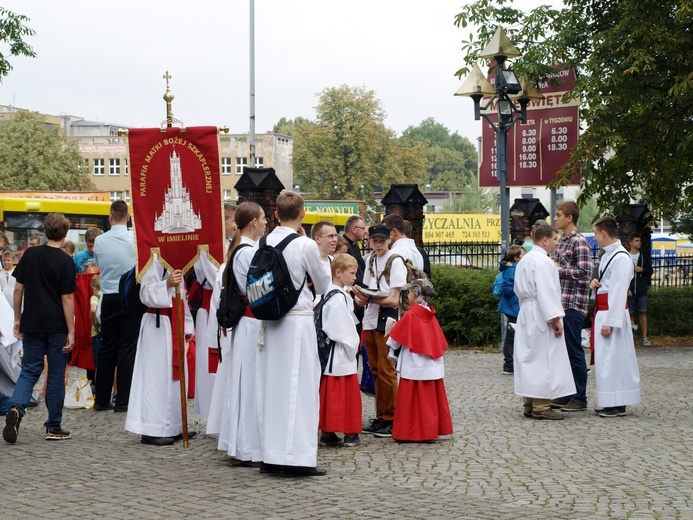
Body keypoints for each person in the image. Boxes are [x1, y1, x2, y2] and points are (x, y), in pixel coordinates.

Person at [257, 191, 330, 477]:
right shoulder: (304, 245)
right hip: (297, 319)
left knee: (273, 387)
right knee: (300, 389)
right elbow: (323, 285)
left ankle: (271, 455)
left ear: (275, 214)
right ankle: (297, 458)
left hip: (270, 319)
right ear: (302, 213)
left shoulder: (264, 241)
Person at [3, 213, 76, 443]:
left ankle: (17, 407)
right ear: (64, 235)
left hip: (32, 321)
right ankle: (53, 426)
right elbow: (67, 299)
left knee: (29, 371)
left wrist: (17, 319)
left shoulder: (30, 254)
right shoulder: (66, 262)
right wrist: (71, 330)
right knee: (55, 374)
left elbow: (17, 290)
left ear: (45, 232)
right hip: (56, 326)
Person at [125, 256, 195, 445]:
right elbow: (145, 293)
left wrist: (187, 325)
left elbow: (182, 295)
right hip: (157, 324)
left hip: (174, 320)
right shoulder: (152, 257)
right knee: (156, 378)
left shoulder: (177, 258)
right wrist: (166, 284)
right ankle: (152, 428)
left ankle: (174, 425)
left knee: (174, 377)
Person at [216, 202, 265, 465]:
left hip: (249, 322)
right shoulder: (246, 252)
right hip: (250, 322)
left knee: (247, 382)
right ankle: (247, 446)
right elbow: (254, 289)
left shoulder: (245, 249)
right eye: (264, 218)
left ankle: (245, 443)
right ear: (253, 222)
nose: (267, 222)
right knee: (249, 384)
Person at [513, 224, 575, 420]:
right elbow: (546, 291)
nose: (557, 243)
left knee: (529, 356)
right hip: (540, 312)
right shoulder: (543, 262)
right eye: (555, 239)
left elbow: (518, 289)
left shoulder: (525, 260)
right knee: (542, 357)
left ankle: (529, 402)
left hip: (527, 310)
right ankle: (541, 405)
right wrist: (555, 318)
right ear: (545, 240)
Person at [353, 223, 407, 438]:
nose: (377, 244)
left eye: (381, 241)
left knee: (386, 371)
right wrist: (363, 296)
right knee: (375, 369)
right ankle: (381, 415)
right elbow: (364, 292)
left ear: (389, 239)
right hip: (371, 318)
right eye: (374, 240)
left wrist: (369, 297)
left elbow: (394, 299)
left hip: (387, 321)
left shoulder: (395, 261)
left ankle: (392, 418)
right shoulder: (371, 260)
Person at [386, 278, 453, 442]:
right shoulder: (431, 315)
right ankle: (430, 430)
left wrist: (392, 329)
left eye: (409, 292)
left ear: (415, 294)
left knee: (411, 401)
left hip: (412, 361)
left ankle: (408, 432)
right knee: (429, 401)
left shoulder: (410, 315)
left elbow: (395, 339)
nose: (408, 294)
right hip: (431, 363)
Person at [590, 217, 641, 417]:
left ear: (603, 233)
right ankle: (610, 399)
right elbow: (609, 285)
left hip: (612, 314)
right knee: (606, 360)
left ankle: (618, 402)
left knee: (615, 359)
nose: (594, 238)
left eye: (595, 234)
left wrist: (611, 321)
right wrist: (596, 284)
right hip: (604, 312)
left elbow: (619, 291)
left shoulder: (620, 257)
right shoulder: (607, 256)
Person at [93, 200, 138, 412]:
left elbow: (99, 264)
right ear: (128, 217)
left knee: (107, 348)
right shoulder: (135, 239)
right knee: (127, 349)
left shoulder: (100, 241)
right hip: (130, 296)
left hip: (109, 295)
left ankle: (101, 399)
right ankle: (124, 400)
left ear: (110, 217)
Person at [551, 201, 592, 413]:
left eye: (558, 215)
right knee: (563, 352)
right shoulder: (561, 241)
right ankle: (567, 394)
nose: (555, 218)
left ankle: (580, 397)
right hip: (560, 303)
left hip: (573, 305)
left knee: (574, 351)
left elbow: (585, 273)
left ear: (569, 218)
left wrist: (559, 270)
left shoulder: (579, 242)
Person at [317, 253, 362, 448]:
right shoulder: (337, 298)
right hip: (339, 351)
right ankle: (350, 432)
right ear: (338, 272)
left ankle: (328, 431)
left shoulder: (331, 293)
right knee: (345, 393)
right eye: (351, 273)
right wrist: (353, 343)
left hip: (332, 353)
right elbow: (341, 328)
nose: (354, 277)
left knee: (330, 394)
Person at [496, 245, 525, 375]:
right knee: (511, 335)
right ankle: (509, 363)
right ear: (516, 258)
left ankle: (512, 362)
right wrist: (518, 289)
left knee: (514, 334)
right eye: (523, 255)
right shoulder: (512, 270)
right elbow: (507, 289)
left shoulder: (515, 268)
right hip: (513, 307)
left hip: (514, 306)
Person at [627, 232, 652, 346]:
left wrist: (642, 270)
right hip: (630, 290)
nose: (639, 243)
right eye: (636, 241)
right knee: (630, 314)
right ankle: (631, 336)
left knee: (643, 312)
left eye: (640, 241)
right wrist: (627, 288)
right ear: (631, 242)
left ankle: (644, 337)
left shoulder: (644, 257)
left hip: (641, 290)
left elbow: (650, 271)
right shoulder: (626, 256)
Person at [343, 215, 367, 330]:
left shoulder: (354, 245)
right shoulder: (344, 247)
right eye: (362, 228)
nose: (365, 232)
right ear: (353, 229)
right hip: (352, 296)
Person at [89, 275, 103, 387]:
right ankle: (115, 392)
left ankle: (98, 389)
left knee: (98, 364)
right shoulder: (106, 295)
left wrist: (93, 322)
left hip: (97, 333)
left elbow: (93, 310)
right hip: (107, 331)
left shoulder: (95, 297)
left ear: (93, 288)